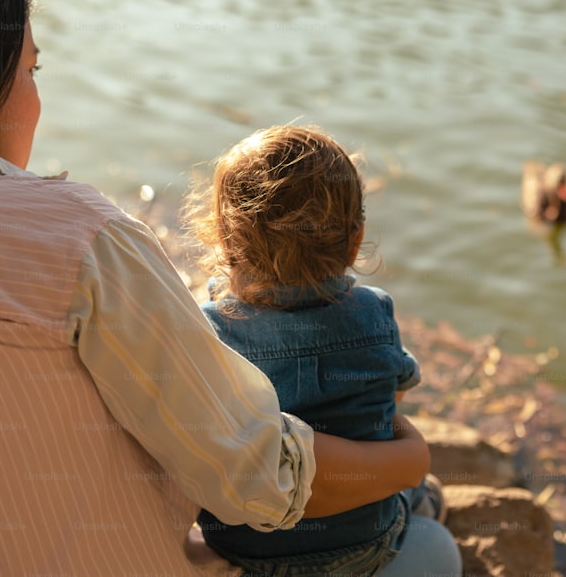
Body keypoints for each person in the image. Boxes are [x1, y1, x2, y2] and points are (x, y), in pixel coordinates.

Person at [0, 0, 432, 576]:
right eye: (30, 71)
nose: (36, 96)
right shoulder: (75, 237)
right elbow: (253, 477)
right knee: (431, 549)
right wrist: (410, 463)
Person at [186, 124, 463, 576]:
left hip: (242, 548)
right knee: (436, 542)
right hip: (364, 545)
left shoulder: (207, 330)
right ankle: (422, 500)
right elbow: (393, 402)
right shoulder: (374, 313)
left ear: (223, 241)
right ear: (356, 239)